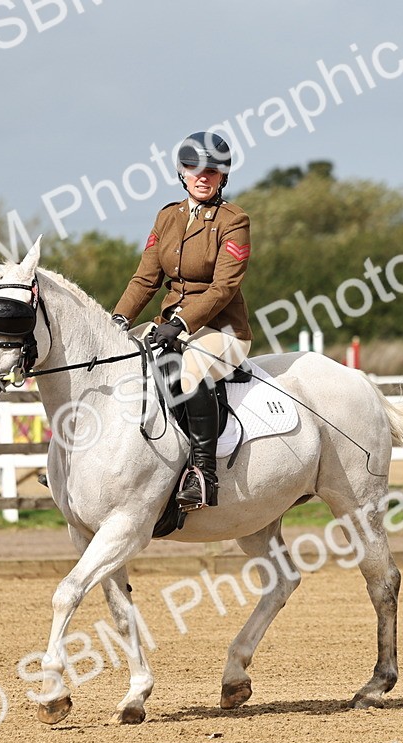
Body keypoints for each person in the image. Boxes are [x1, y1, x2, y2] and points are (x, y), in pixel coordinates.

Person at [111, 131, 253, 511]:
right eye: (194, 168)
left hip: (222, 331)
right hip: (170, 325)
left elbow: (223, 288)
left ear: (224, 176)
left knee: (187, 372)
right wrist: (119, 319)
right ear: (181, 173)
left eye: (212, 170)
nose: (202, 176)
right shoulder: (167, 217)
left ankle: (203, 475)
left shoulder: (234, 221)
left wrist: (183, 323)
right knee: (120, 364)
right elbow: (145, 279)